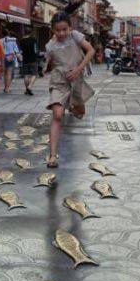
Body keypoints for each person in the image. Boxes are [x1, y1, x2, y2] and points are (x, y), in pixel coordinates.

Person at [44, 11, 95, 168]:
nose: (61, 33)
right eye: (57, 30)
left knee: (79, 112)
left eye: (64, 29)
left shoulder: (75, 36)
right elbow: (50, 62)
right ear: (53, 29)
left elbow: (91, 51)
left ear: (69, 28)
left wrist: (79, 69)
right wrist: (46, 66)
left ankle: (74, 107)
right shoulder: (50, 46)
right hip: (59, 82)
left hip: (76, 81)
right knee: (57, 115)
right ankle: (52, 156)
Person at [0, 28, 20, 93]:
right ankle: (7, 88)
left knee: (5, 73)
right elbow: (16, 50)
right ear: (8, 33)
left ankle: (5, 87)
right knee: (9, 73)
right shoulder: (13, 40)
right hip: (11, 57)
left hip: (3, 57)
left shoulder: (0, 41)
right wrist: (17, 56)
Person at [19, 28, 38, 95]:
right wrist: (36, 55)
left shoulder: (21, 41)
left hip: (25, 59)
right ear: (31, 32)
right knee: (34, 74)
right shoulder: (33, 40)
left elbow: (21, 50)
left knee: (26, 75)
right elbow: (36, 49)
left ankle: (27, 89)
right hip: (33, 59)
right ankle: (30, 87)